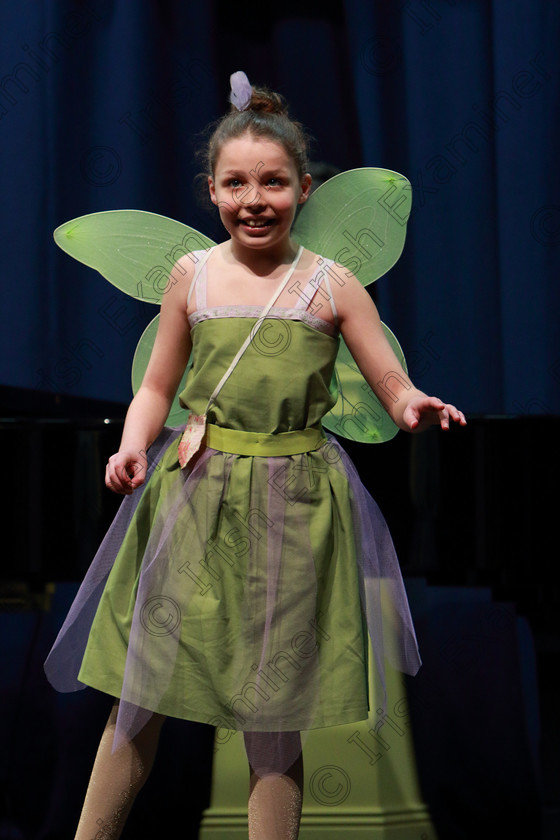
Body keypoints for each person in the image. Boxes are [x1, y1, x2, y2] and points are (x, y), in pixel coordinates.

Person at [45, 71, 466, 840]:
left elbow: (386, 375)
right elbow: (157, 386)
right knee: (139, 697)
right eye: (236, 183)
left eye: (273, 182)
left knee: (274, 719)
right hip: (195, 496)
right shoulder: (193, 276)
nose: (254, 199)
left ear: (304, 189)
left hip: (295, 505)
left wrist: (412, 405)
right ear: (211, 191)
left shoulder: (329, 284)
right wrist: (133, 445)